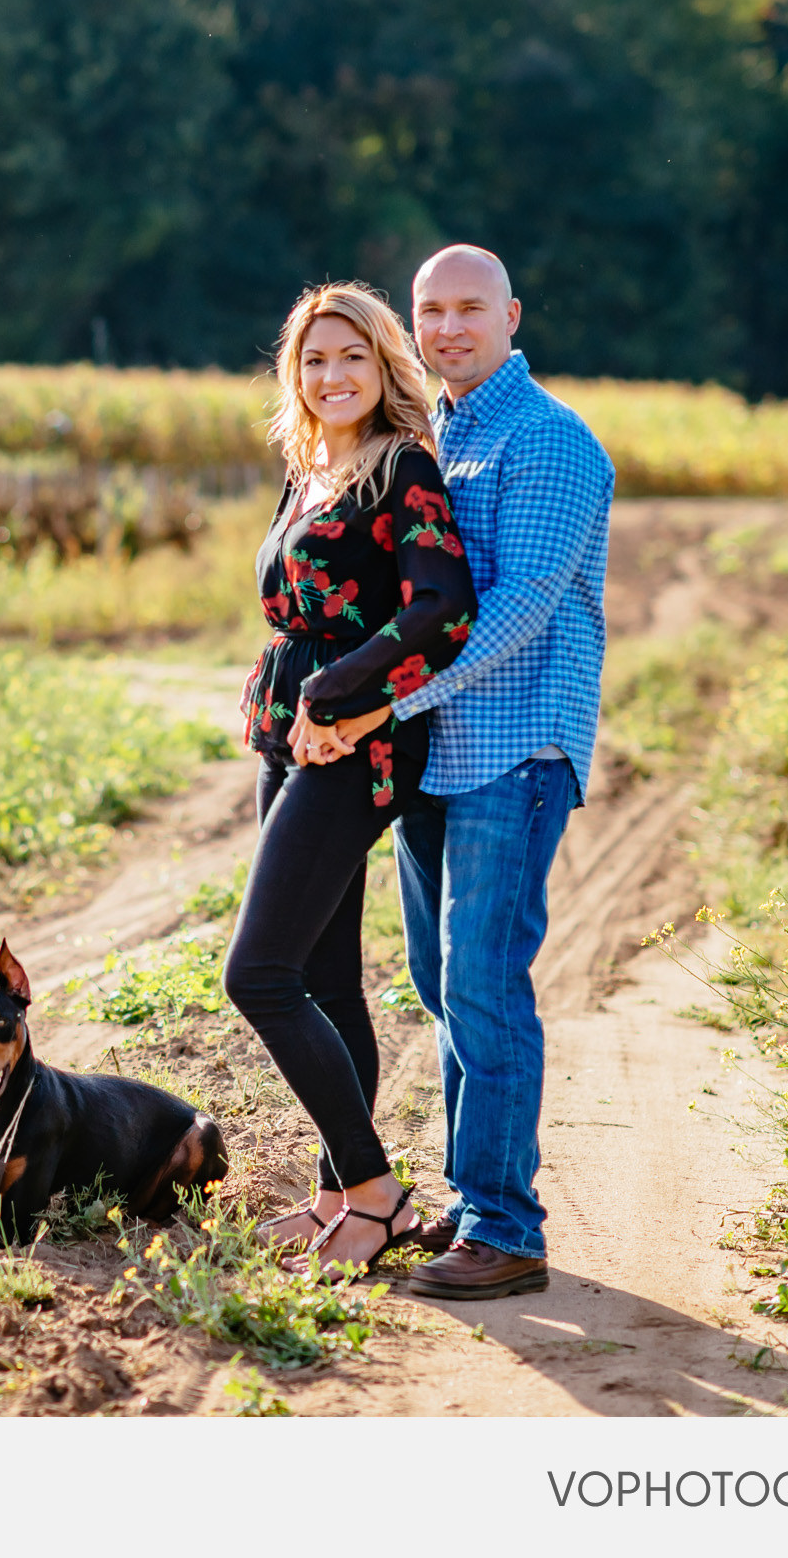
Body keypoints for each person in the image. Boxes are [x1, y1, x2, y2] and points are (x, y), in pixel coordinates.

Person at [222, 281, 478, 1272]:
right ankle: (340, 1198)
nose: (333, 376)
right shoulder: (309, 469)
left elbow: (440, 608)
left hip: (356, 741)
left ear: (385, 366)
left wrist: (338, 689)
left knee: (258, 973)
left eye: (353, 358)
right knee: (323, 976)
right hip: (288, 735)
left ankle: (374, 1187)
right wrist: (285, 700)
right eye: (314, 360)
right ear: (297, 373)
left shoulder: (401, 470)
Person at [389, 245, 613, 1301]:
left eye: (468, 309)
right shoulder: (432, 436)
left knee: (484, 983)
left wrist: (389, 701)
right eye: (430, 311)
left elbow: (521, 609)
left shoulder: (552, 440)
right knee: (442, 988)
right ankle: (474, 1196)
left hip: (515, 747)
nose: (447, 328)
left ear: (511, 315)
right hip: (434, 755)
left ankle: (509, 1231)